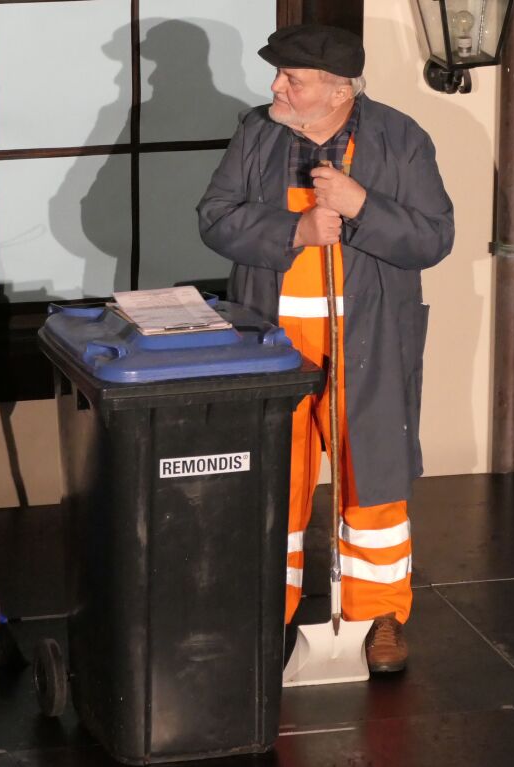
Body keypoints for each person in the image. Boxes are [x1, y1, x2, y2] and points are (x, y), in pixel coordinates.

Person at [198, 25, 454, 673]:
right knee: (273, 479)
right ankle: (268, 608)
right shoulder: (257, 133)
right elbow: (215, 217)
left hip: (368, 341)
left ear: (340, 90)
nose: (276, 87)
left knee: (372, 478)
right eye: (280, 75)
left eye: (293, 79)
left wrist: (360, 204)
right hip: (274, 347)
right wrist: (298, 227)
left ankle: (380, 613)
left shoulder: (400, 139)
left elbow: (432, 238)